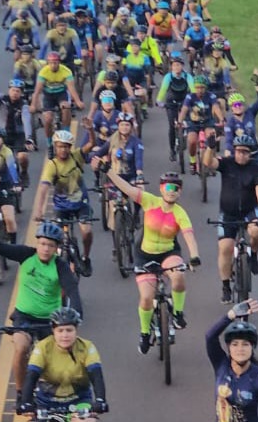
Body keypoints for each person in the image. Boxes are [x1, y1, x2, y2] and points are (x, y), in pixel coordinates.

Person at [0, 220, 81, 405]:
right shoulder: (26, 255)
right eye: (42, 244)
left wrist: (76, 316)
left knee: (56, 357)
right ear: (37, 243)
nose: (45, 249)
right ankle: (21, 394)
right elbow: (0, 247)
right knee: (20, 348)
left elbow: (73, 291)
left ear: (57, 248)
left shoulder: (60, 266)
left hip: (50, 320)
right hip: (24, 317)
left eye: (50, 245)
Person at [107, 169, 200, 350]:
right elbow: (127, 188)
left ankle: (178, 314)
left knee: (179, 276)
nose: (172, 191)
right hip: (144, 255)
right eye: (168, 187)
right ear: (161, 188)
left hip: (168, 253)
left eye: (176, 188)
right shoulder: (150, 201)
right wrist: (108, 171)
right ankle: (144, 333)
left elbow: (189, 235)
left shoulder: (180, 213)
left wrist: (195, 256)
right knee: (146, 298)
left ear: (180, 191)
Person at [202, 132, 258, 302]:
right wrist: (210, 148)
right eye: (239, 151)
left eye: (245, 152)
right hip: (228, 213)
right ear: (234, 151)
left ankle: (253, 255)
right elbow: (208, 162)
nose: (241, 154)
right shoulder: (227, 164)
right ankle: (225, 285)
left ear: (250, 153)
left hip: (249, 211)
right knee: (225, 248)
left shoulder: (256, 168)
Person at [32, 126, 96, 275]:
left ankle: (85, 257)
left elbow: (91, 144)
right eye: (60, 146)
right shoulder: (52, 165)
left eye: (66, 147)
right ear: (55, 146)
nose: (63, 150)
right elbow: (43, 188)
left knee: (86, 231)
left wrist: (90, 130)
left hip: (81, 203)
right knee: (56, 237)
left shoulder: (76, 156)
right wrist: (39, 210)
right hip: (61, 206)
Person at [30, 50, 85, 146]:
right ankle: (49, 142)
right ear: (48, 63)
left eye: (55, 63)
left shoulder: (66, 71)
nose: (53, 65)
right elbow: (37, 91)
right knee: (47, 119)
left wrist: (78, 102)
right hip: (48, 96)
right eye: (51, 63)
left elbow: (71, 89)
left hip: (61, 94)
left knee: (66, 107)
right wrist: (33, 105)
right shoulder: (43, 72)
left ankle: (66, 132)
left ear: (59, 63)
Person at [179, 74, 223, 174]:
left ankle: (212, 160)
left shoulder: (211, 96)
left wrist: (221, 119)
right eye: (197, 87)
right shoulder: (190, 97)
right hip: (193, 123)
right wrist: (180, 121)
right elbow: (184, 109)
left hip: (208, 122)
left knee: (211, 138)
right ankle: (193, 161)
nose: (200, 90)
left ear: (206, 87)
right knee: (192, 140)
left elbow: (216, 107)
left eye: (202, 87)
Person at [156, 53, 194, 162]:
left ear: (182, 66)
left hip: (184, 101)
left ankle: (184, 134)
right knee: (172, 126)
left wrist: (196, 101)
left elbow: (193, 90)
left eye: (178, 65)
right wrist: (159, 101)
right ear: (171, 67)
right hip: (171, 102)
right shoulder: (168, 77)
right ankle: (172, 150)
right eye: (174, 65)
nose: (176, 67)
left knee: (188, 121)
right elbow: (163, 90)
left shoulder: (188, 76)